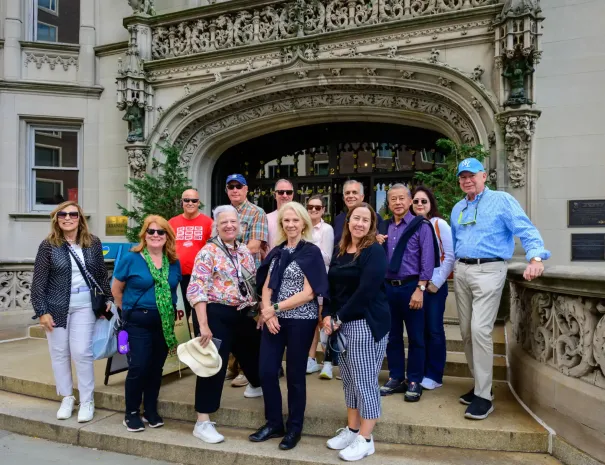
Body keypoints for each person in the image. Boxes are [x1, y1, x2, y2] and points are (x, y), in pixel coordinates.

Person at [451, 158, 550, 420]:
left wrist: (536, 258)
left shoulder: (502, 200)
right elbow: (454, 241)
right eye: (462, 176)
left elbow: (525, 229)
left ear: (484, 176)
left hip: (490, 270)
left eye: (472, 175)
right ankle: (481, 386)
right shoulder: (458, 207)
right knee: (466, 332)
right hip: (462, 271)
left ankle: (484, 397)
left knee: (480, 330)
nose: (467, 180)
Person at [249, 202, 329, 451]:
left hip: (301, 320)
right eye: (286, 221)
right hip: (274, 319)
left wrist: (276, 308)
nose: (291, 224)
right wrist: (267, 311)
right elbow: (266, 286)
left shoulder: (311, 252)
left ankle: (294, 427)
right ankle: (274, 423)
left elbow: (308, 293)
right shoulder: (277, 251)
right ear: (281, 224)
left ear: (304, 223)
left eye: (296, 220)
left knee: (295, 376)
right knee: (266, 371)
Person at [31, 201, 113, 423]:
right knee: (59, 353)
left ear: (80, 218)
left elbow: (101, 274)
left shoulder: (92, 243)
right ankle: (67, 397)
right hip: (56, 306)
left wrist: (108, 297)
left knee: (81, 352)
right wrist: (42, 311)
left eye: (73, 214)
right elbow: (38, 282)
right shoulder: (48, 245)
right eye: (62, 214)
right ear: (56, 219)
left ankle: (87, 400)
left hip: (85, 304)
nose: (68, 218)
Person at [187, 205, 262, 444]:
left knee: (253, 355)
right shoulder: (208, 252)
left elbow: (251, 282)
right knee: (213, 366)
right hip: (216, 313)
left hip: (243, 313)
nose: (229, 226)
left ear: (239, 225)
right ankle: (202, 421)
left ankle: (256, 385)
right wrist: (203, 325)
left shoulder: (243, 250)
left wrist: (259, 309)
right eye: (223, 223)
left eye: (233, 222)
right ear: (216, 227)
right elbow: (197, 288)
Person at [323, 202, 390, 462]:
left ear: (371, 225)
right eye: (356, 218)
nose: (360, 224)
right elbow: (330, 287)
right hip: (341, 323)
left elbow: (366, 292)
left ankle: (366, 438)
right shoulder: (340, 250)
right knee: (349, 381)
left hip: (366, 321)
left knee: (364, 381)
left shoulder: (374, 251)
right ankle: (352, 430)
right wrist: (327, 314)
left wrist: (338, 317)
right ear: (348, 221)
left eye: (366, 220)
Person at [112, 215, 182, 432]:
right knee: (139, 366)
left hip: (164, 323)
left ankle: (150, 410)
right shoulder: (132, 258)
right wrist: (128, 311)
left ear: (167, 236)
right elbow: (116, 289)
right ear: (144, 234)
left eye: (160, 232)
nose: (155, 235)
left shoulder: (173, 261)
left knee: (155, 368)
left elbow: (173, 289)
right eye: (151, 231)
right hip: (138, 322)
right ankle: (131, 412)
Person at [378, 184, 439, 402]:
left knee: (416, 337)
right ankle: (396, 377)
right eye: (393, 199)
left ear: (410, 200)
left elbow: (428, 260)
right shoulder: (383, 227)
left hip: (411, 287)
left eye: (402, 198)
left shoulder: (420, 225)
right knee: (392, 337)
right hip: (388, 289)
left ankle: (414, 379)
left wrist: (420, 288)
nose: (397, 202)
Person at [226, 173, 269, 387]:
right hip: (226, 278)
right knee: (231, 320)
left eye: (238, 186)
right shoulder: (223, 213)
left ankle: (247, 369)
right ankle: (233, 365)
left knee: (249, 322)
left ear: (246, 189)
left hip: (248, 278)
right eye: (231, 186)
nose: (235, 190)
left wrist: (228, 252)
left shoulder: (256, 212)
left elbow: (254, 245)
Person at [411, 186, 455, 391]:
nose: (419, 204)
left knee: (434, 330)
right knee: (419, 331)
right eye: (416, 201)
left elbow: (450, 256)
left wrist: (435, 283)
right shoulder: (411, 225)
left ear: (431, 204)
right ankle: (420, 371)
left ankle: (435, 374)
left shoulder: (439, 224)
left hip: (434, 287)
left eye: (424, 201)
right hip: (416, 286)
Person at [169, 188, 213, 337]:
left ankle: (199, 354)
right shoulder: (172, 222)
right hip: (177, 276)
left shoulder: (208, 222)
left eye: (194, 200)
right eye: (186, 200)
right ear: (182, 202)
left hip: (200, 278)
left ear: (198, 202)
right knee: (178, 318)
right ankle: (180, 353)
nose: (190, 203)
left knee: (199, 318)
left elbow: (213, 249)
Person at [303, 195, 336, 378]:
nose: (313, 210)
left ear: (323, 209)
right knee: (311, 321)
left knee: (324, 320)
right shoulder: (302, 227)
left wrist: (310, 247)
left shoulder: (326, 229)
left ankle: (328, 362)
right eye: (310, 207)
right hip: (305, 281)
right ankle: (311, 358)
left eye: (317, 207)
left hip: (321, 280)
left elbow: (328, 258)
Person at [333, 180, 383, 245]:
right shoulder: (338, 219)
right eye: (347, 193)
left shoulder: (374, 217)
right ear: (344, 198)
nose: (350, 196)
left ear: (362, 197)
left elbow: (381, 239)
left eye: (354, 192)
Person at [266, 179, 295, 251]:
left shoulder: (301, 218)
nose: (285, 195)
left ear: (293, 195)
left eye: (288, 192)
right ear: (274, 195)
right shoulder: (266, 218)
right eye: (281, 192)